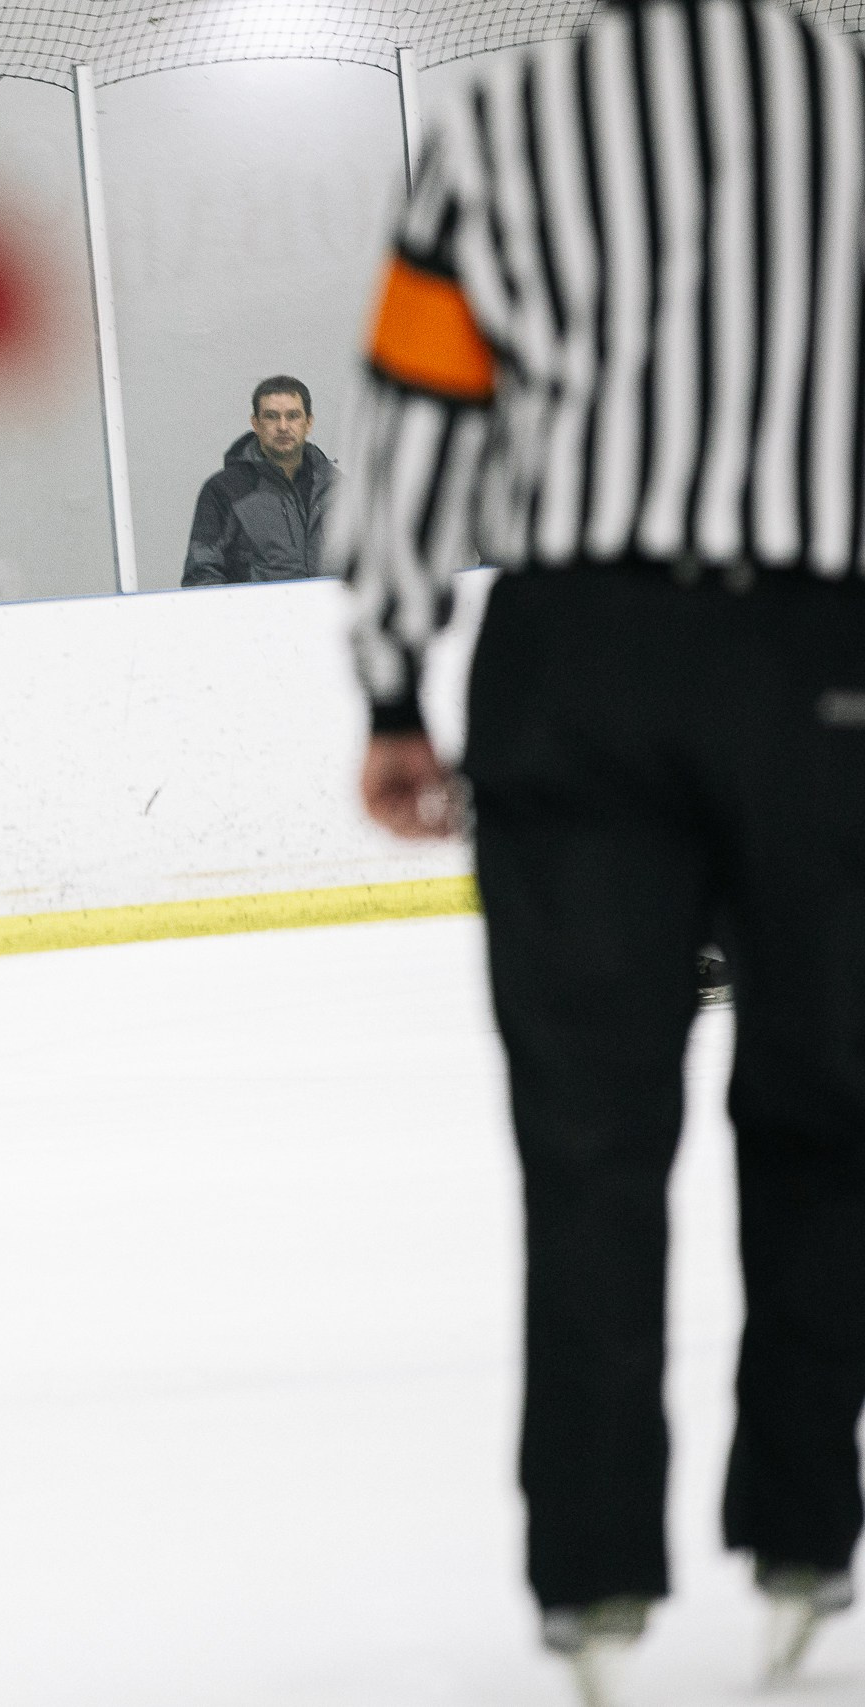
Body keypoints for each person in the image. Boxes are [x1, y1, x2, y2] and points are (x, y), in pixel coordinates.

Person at [334, 4, 865, 1695]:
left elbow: (418, 422)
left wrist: (395, 684)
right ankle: (802, 1529)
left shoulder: (506, 124)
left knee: (587, 1133)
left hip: (577, 657)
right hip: (820, 654)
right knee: (830, 1106)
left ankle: (594, 1581)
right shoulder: (854, 99)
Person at [183, 377, 338, 586]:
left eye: (293, 416)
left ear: (308, 423)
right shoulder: (224, 491)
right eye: (271, 417)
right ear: (255, 423)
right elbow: (202, 575)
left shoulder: (338, 489)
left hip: (333, 617)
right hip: (258, 617)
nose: (283, 426)